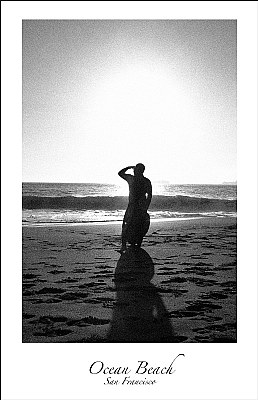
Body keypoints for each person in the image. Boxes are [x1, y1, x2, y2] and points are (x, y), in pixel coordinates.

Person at [118, 163, 152, 253]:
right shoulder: (145, 181)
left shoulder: (132, 179)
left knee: (129, 224)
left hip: (134, 206)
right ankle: (129, 245)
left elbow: (120, 173)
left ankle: (125, 246)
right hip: (139, 206)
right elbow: (149, 195)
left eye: (135, 169)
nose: (134, 171)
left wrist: (128, 167)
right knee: (136, 225)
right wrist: (146, 206)